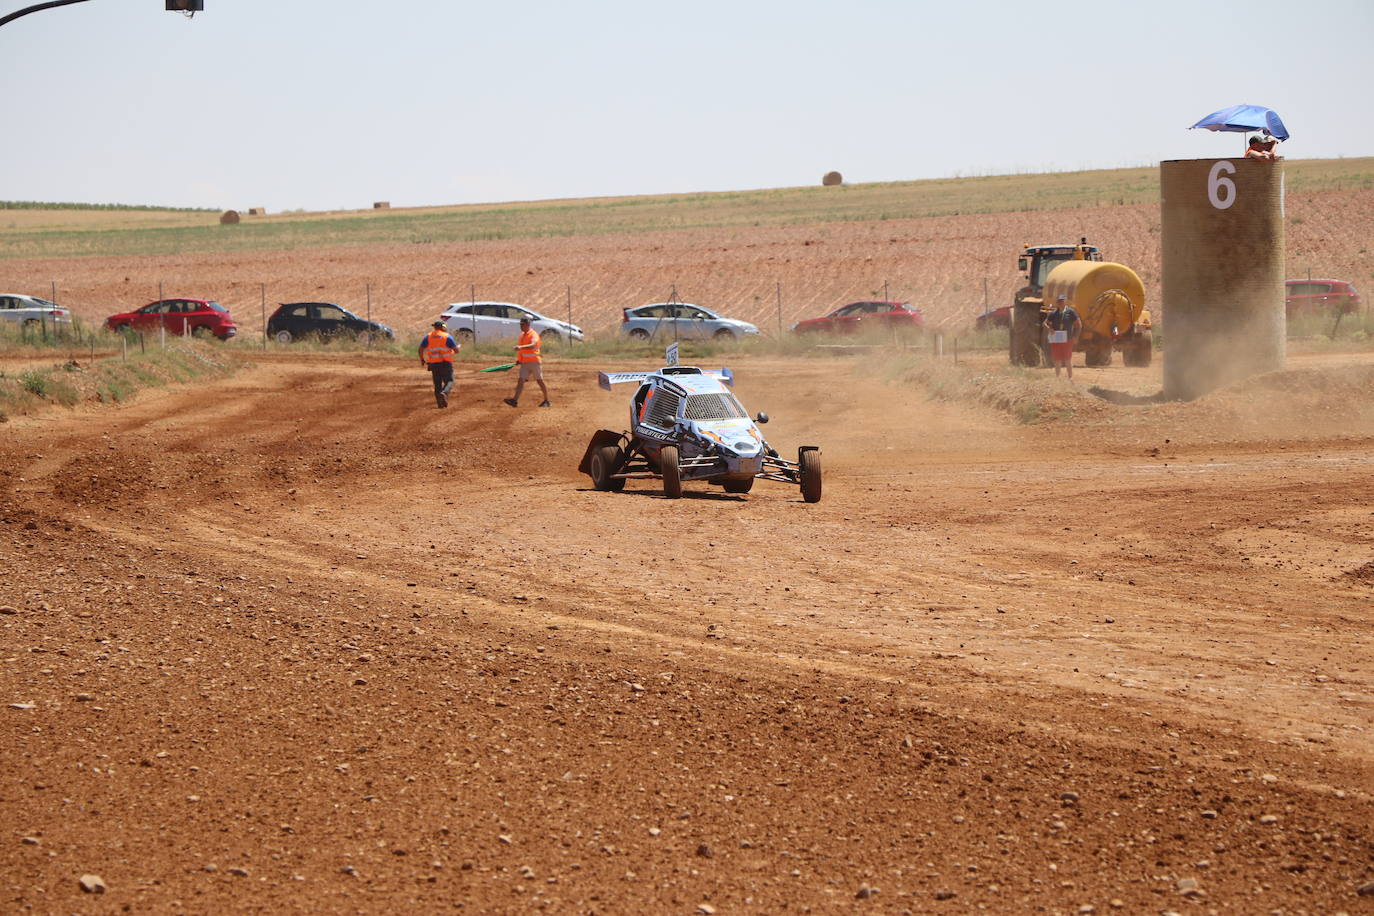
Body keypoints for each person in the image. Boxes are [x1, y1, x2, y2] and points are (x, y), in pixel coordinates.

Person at [503, 317, 550, 407]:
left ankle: (546, 400)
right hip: (525, 363)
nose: (521, 326)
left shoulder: (533, 334)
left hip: (535, 362)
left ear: (528, 325)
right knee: (521, 380)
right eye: (520, 324)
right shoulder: (522, 335)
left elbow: (532, 345)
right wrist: (519, 360)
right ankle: (514, 400)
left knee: (540, 381)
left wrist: (521, 347)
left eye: (522, 324)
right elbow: (522, 351)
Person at [418, 320, 459, 408]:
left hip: (433, 364)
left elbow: (420, 349)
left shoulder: (428, 337)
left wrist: (422, 359)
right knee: (450, 381)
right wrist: (452, 351)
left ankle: (440, 404)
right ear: (443, 327)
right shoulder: (447, 336)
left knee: (437, 384)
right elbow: (456, 350)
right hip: (445, 363)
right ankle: (444, 393)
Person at [1043, 294, 1082, 379]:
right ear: (1056, 303)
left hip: (1068, 339)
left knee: (1068, 359)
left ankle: (1070, 378)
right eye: (1059, 301)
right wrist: (1049, 329)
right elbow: (1045, 323)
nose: (1060, 303)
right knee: (1057, 359)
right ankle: (1058, 378)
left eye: (1062, 301)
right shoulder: (1053, 313)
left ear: (1065, 301)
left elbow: (1079, 325)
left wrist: (1076, 337)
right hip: (1056, 339)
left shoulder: (1071, 312)